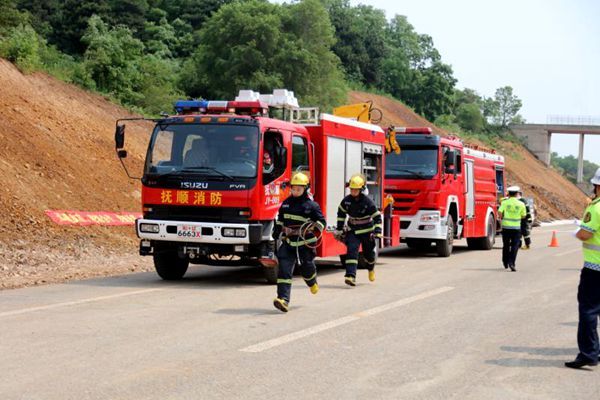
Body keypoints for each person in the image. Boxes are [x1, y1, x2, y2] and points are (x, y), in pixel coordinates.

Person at [271, 172, 326, 312]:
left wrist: (314, 229)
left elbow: (322, 222)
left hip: (305, 243)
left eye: (298, 189)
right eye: (293, 189)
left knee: (307, 268)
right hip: (289, 242)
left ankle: (312, 281)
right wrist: (277, 229)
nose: (295, 192)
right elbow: (280, 219)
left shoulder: (312, 206)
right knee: (284, 270)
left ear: (305, 189)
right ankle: (283, 300)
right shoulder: (286, 204)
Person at [565, 168, 600, 369]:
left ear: (597, 186)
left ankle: (588, 353)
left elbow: (586, 235)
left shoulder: (595, 208)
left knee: (588, 311)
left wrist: (578, 230)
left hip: (595, 268)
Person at [335, 174, 382, 286]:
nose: (353, 192)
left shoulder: (368, 202)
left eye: (355, 190)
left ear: (361, 190)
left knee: (369, 254)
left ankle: (371, 268)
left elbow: (377, 217)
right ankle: (350, 276)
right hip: (353, 231)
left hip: (367, 232)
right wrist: (339, 229)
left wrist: (378, 232)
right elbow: (341, 214)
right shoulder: (346, 201)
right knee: (352, 251)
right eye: (351, 189)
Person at [498, 186, 526, 271]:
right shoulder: (521, 204)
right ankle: (512, 263)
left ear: (508, 194)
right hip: (516, 228)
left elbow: (499, 212)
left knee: (506, 245)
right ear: (517, 194)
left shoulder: (505, 202)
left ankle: (505, 262)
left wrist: (502, 218)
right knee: (515, 246)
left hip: (506, 227)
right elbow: (523, 215)